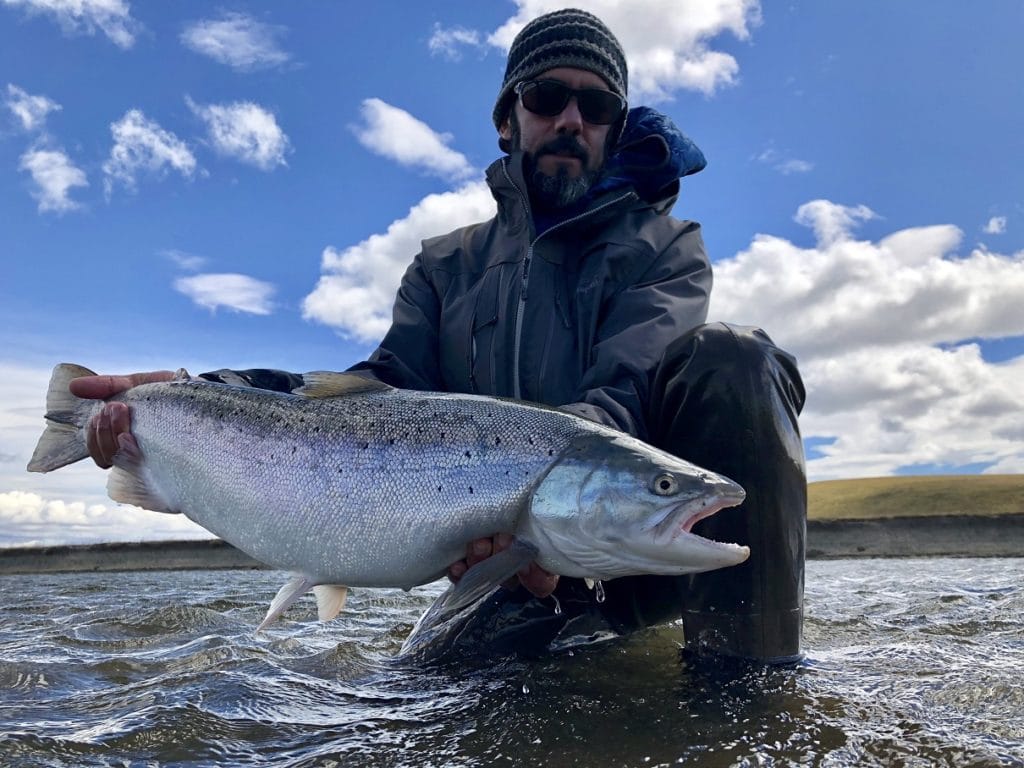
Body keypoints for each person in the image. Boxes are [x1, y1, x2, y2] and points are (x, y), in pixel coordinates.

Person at [73, 9, 807, 665]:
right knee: (425, 703)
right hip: (495, 563)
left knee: (737, 358)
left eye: (597, 104)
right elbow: (369, 394)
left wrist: (563, 512)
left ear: (615, 126)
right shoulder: (443, 265)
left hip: (635, 555)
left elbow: (623, 391)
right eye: (547, 97)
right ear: (508, 118)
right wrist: (189, 395)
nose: (570, 119)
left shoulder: (666, 247)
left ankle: (750, 694)